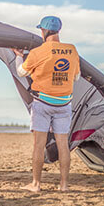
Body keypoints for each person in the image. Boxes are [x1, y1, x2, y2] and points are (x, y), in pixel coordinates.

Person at [13, 16, 80, 192]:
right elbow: (76, 77)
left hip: (42, 103)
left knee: (39, 144)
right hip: (64, 104)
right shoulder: (72, 50)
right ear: (58, 31)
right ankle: (64, 185)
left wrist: (20, 57)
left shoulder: (38, 52)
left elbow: (21, 72)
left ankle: (36, 184)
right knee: (63, 144)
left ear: (43, 31)